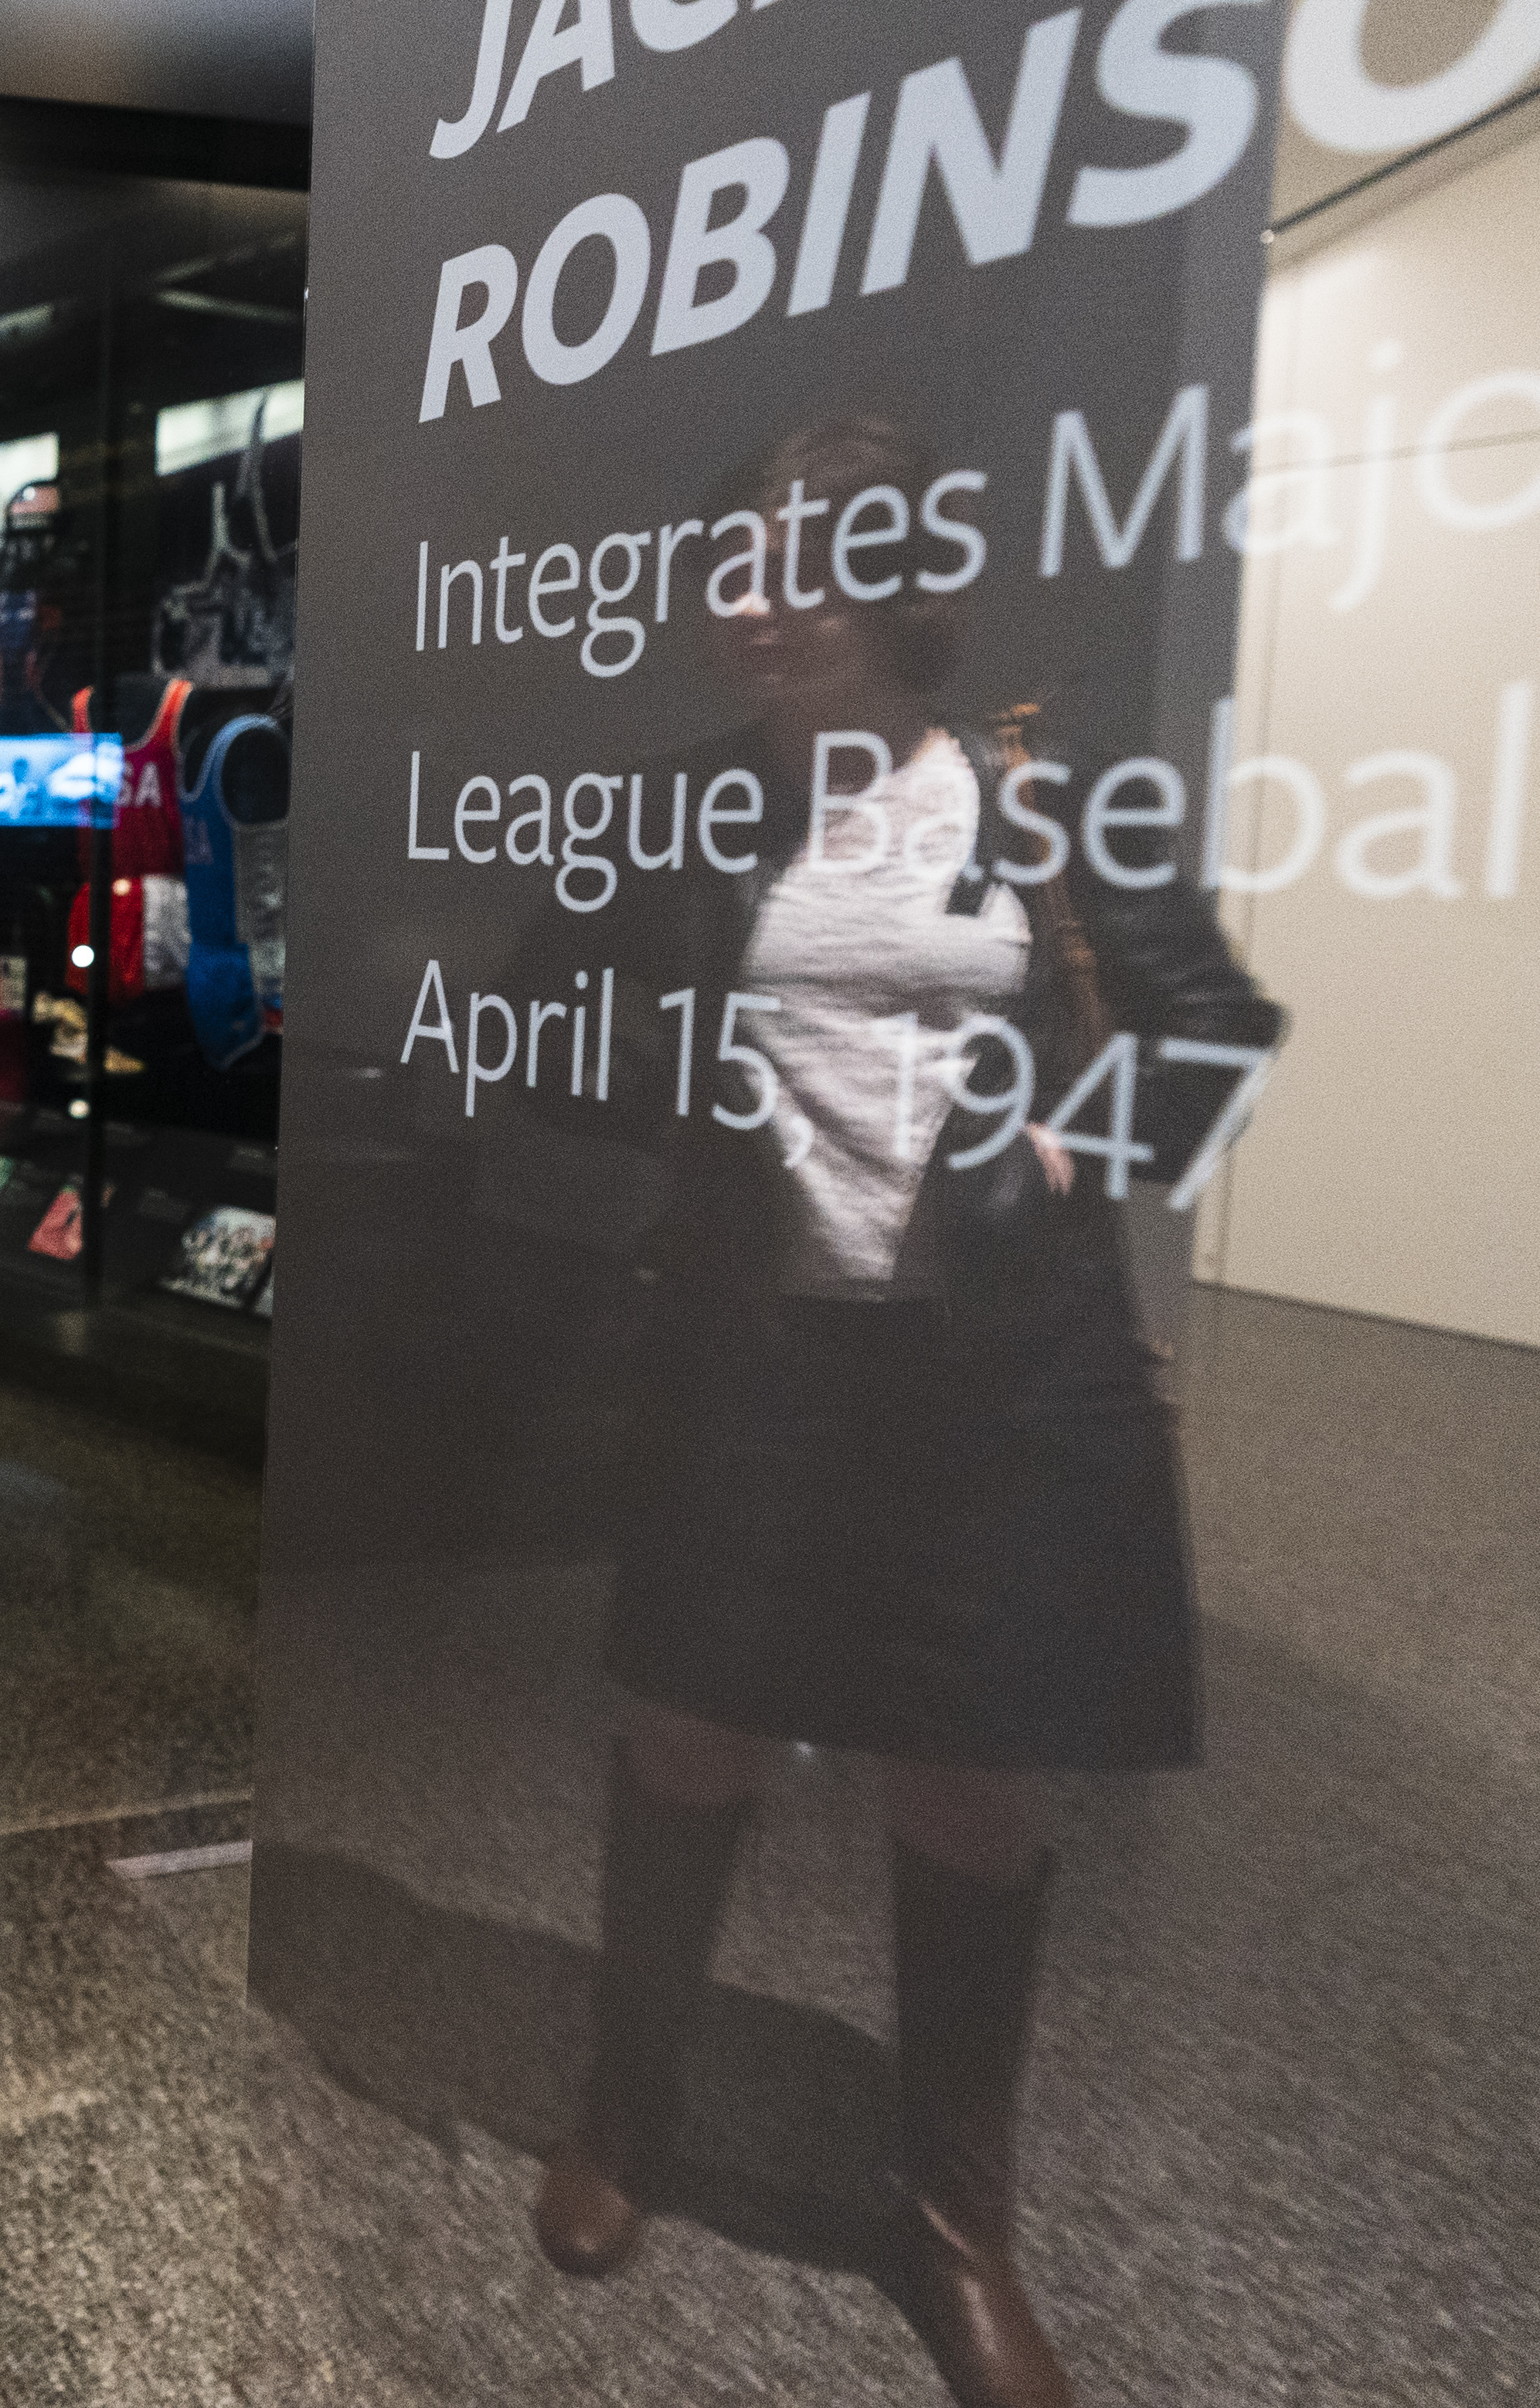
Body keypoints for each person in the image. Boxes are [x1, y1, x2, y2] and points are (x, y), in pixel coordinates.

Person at [530, 416, 1278, 2408]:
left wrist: (1058, 1153)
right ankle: (627, 2120)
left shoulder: (1044, 800)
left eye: (791, 566)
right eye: (730, 569)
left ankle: (957, 2228)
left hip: (995, 1385)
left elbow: (1215, 1037)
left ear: (892, 586)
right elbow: (564, 1016)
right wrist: (649, 1151)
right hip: (755, 1367)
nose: (747, 605)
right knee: (690, 1736)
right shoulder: (694, 806)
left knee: (973, 1775)